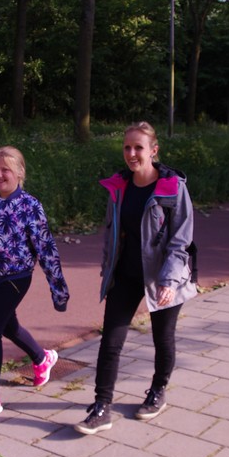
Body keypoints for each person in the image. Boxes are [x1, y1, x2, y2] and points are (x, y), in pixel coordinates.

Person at [74, 122, 198, 435]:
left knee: (162, 338)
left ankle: (158, 391)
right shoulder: (119, 187)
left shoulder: (172, 188)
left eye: (138, 147)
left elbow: (181, 241)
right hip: (126, 275)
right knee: (111, 341)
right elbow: (111, 233)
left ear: (153, 150)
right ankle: (101, 406)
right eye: (127, 147)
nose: (131, 153)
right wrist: (108, 271)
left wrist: (169, 281)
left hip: (163, 277)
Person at [0, 146, 69, 422]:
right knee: (8, 327)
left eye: (6, 170)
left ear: (20, 172)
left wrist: (58, 290)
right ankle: (42, 358)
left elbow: (46, 249)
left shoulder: (30, 206)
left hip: (17, 277)